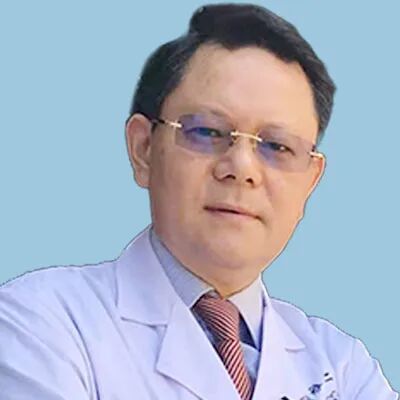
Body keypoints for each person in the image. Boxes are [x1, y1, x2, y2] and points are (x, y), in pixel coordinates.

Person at [0, 3, 397, 399]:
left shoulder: (343, 365)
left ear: (310, 181)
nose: (241, 168)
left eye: (277, 146)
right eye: (207, 132)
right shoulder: (39, 323)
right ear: (143, 150)